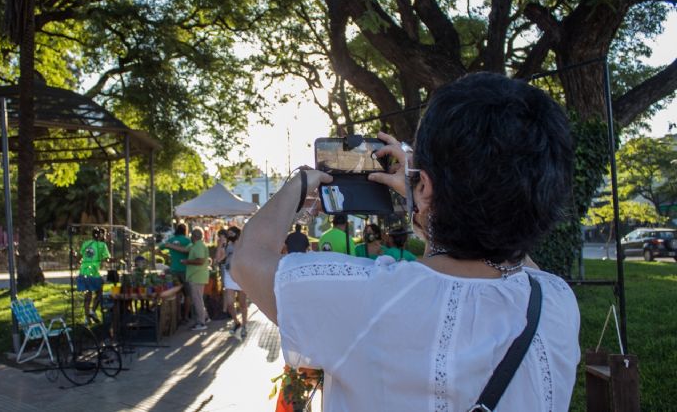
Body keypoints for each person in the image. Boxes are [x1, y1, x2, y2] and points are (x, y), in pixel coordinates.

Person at [233, 73, 579, 411]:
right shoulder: (556, 304)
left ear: (424, 186)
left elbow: (248, 260)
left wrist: (299, 183)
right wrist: (431, 196)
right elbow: (507, 248)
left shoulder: (369, 298)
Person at [158, 223, 192, 322]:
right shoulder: (187, 240)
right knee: (187, 295)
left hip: (173, 270)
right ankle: (185, 316)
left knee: (175, 293)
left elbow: (159, 248)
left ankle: (177, 317)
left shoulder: (171, 240)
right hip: (185, 270)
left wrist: (167, 257)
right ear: (185, 230)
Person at [77, 227, 110, 325]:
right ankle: (93, 311)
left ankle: (87, 318)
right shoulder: (102, 245)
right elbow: (107, 259)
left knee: (87, 296)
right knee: (99, 292)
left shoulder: (86, 244)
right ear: (100, 235)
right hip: (94, 272)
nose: (104, 236)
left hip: (83, 272)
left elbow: (79, 258)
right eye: (103, 234)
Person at [220, 226, 248, 339]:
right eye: (229, 233)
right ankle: (237, 322)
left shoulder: (243, 244)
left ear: (237, 233)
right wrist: (220, 246)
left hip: (241, 275)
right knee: (230, 303)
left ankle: (245, 324)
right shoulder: (227, 245)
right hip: (229, 273)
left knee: (242, 303)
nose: (230, 235)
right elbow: (219, 258)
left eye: (232, 233)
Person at [183, 227, 210, 331]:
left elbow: (200, 261)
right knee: (199, 299)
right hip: (198, 276)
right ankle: (205, 317)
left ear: (194, 236)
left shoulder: (198, 246)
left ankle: (201, 322)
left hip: (196, 276)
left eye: (191, 235)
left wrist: (187, 262)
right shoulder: (198, 245)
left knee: (197, 300)